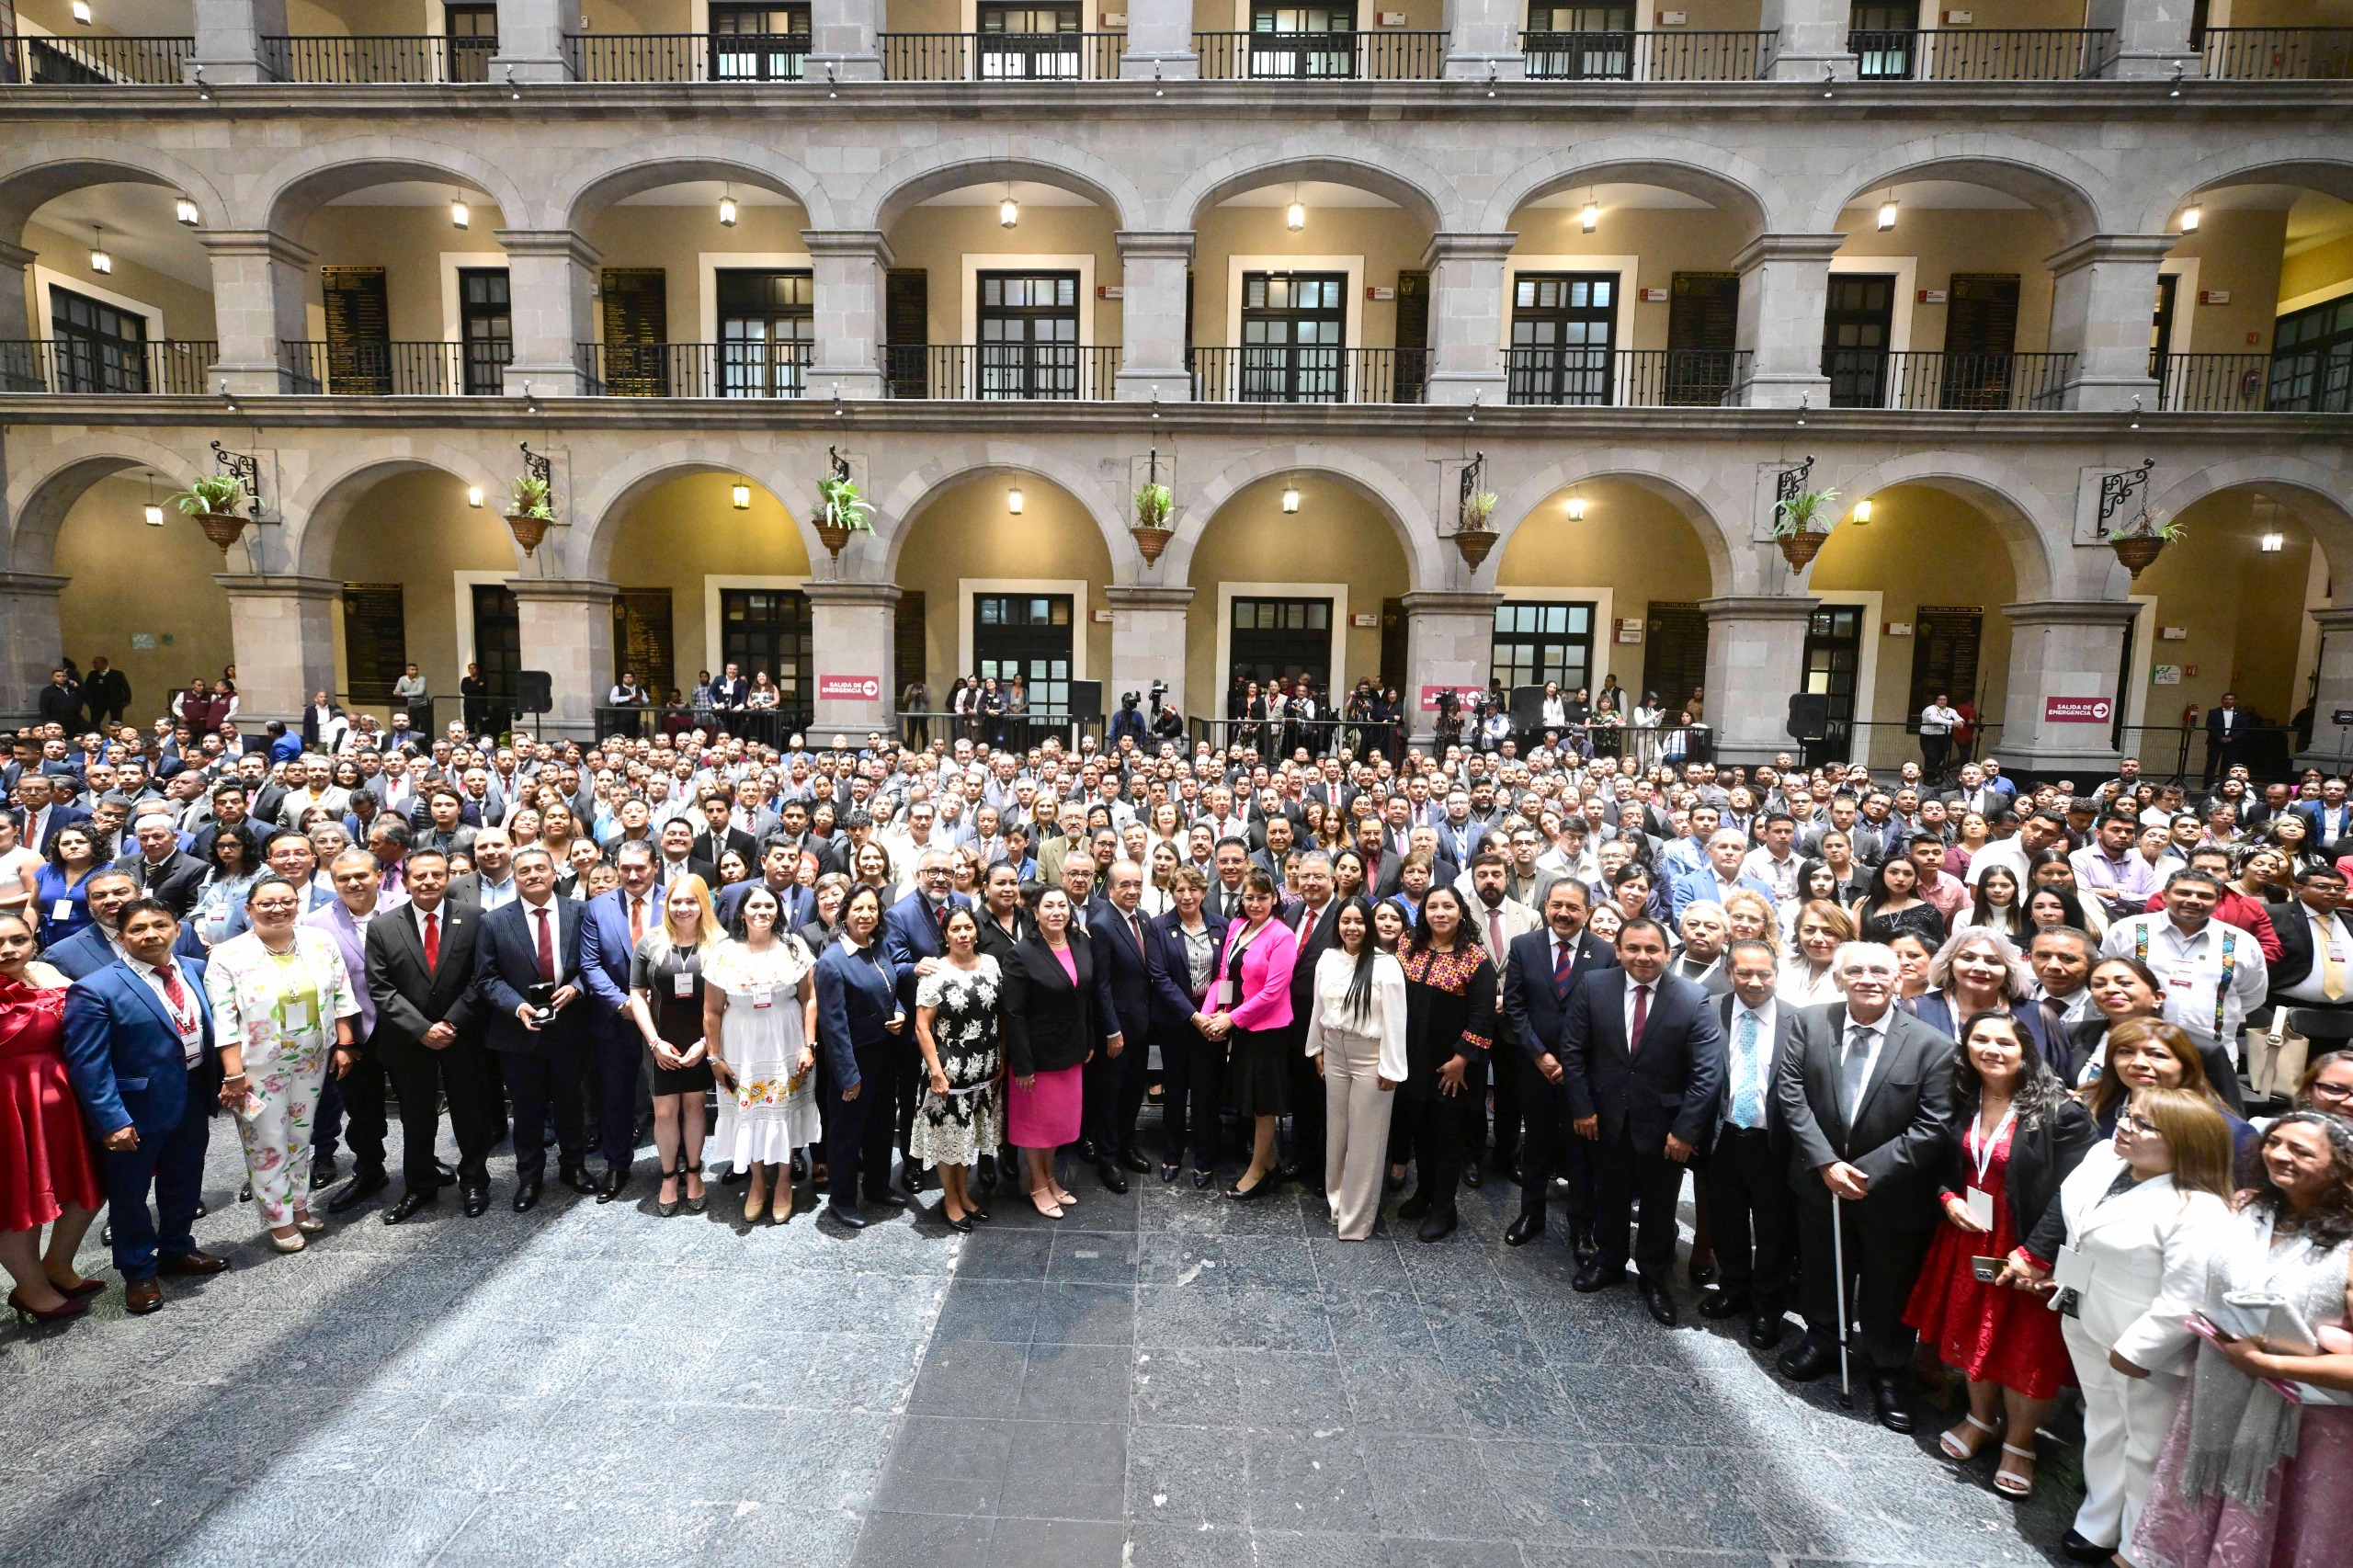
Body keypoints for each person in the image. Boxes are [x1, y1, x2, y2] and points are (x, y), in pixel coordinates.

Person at [2018, 1085, 2234, 1566]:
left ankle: (2139, 1544)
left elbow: (2184, 1299)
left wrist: (2137, 1350)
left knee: (2146, 1448)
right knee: (2103, 1424)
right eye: (2126, 1114)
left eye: (2142, 1124)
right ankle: (2099, 1521)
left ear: (2183, 1142)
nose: (2124, 1126)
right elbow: (2078, 1227)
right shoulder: (2103, 1157)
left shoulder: (2198, 1208)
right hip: (2082, 1313)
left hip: (2143, 1348)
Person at [2131, 1112, 2353, 1568]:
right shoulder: (2254, 1210)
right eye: (2275, 1143)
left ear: (2342, 1168)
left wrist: (2270, 1366)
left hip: (2306, 1429)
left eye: (2302, 1151)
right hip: (2219, 1400)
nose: (2280, 1155)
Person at [1903, 1011, 2096, 1498]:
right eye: (1979, 1040)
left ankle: (2020, 1443)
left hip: (2029, 1244)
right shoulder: (1961, 1098)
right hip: (1970, 1234)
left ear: (2026, 1049)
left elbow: (2078, 1191)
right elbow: (1943, 1163)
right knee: (1971, 1329)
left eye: (2004, 1042)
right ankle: (1980, 1418)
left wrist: (2035, 1253)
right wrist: (1947, 1199)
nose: (1992, 1049)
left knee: (2026, 1346)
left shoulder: (2061, 1110)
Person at [1774, 940, 1959, 1433]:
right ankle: (1822, 1337)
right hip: (1818, 1180)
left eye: (1881, 971)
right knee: (1822, 1265)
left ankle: (1887, 1368)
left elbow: (1932, 1125)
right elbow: (1791, 1093)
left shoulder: (1932, 1046)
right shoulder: (1810, 1024)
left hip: (1892, 1194)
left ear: (1899, 979)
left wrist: (1864, 1174)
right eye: (1855, 970)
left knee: (1887, 1283)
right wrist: (1826, 1163)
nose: (1869, 979)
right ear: (1839, 979)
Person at [60, 898, 227, 1314]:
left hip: (190, 1093)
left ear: (176, 929)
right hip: (133, 1108)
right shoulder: (96, 988)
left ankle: (177, 1249)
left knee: (185, 1179)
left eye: (159, 925)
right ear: (121, 936)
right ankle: (138, 1273)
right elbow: (88, 1065)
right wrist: (111, 1120)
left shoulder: (197, 969)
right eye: (137, 929)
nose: (150, 934)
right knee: (130, 1196)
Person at [1560, 915, 1723, 1326]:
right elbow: (1574, 1052)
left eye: (1652, 949)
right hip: (1604, 1117)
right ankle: (1609, 1260)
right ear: (1618, 950)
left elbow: (1707, 1073)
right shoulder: (1594, 986)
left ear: (1668, 953)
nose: (1643, 957)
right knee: (1609, 1193)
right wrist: (1582, 1107)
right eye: (1633, 948)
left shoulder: (1691, 997)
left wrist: (1686, 1130)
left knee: (1659, 1205)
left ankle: (1653, 1276)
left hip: (1666, 1127)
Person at [204, 873, 360, 1252]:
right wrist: (233, 1074)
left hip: (312, 1056)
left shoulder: (319, 942)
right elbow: (223, 1021)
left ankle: (299, 1205)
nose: (278, 909)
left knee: (300, 1135)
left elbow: (342, 994)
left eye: (286, 901)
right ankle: (278, 1218)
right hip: (257, 1067)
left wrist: (345, 1043)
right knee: (266, 1142)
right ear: (249, 908)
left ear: (297, 903)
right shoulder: (228, 955)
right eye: (267, 903)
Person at [361, 846, 497, 1220]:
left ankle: (473, 1181)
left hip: (463, 1035)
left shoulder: (473, 918)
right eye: (419, 876)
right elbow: (381, 987)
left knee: (470, 1113)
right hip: (408, 1039)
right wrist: (423, 1029)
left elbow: (480, 978)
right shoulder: (383, 926)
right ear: (405, 881)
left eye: (437, 874)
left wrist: (451, 1023)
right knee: (417, 1116)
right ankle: (419, 1185)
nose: (429, 882)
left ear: (447, 878)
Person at [1694, 937, 1801, 1348]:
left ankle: (1767, 1306)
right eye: (1744, 973)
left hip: (1773, 1143)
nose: (1755, 982)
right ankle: (1733, 1288)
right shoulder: (1710, 1011)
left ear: (1777, 974)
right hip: (1722, 1138)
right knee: (1727, 1219)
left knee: (1774, 1229)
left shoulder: (1799, 1021)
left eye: (1764, 974)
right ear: (1729, 974)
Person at [472, 846, 590, 1211]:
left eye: (541, 868)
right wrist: (517, 1006)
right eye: (525, 871)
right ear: (516, 878)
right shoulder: (494, 921)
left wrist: (577, 987)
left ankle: (574, 1167)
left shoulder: (580, 912)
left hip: (570, 1028)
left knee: (572, 1103)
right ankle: (530, 1178)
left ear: (556, 874)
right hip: (518, 1032)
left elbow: (595, 963)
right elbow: (486, 977)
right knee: (527, 1110)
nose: (534, 875)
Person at [1503, 878, 1617, 1256]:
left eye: (1573, 908)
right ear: (1545, 907)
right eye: (1557, 906)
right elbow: (1516, 1007)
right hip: (1535, 1067)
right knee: (1535, 1141)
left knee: (1580, 1149)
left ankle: (1582, 1227)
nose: (1564, 914)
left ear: (1587, 911)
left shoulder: (1604, 953)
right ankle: (1530, 1214)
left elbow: (1606, 1015)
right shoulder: (1524, 946)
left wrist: (1572, 1063)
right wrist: (1539, 1054)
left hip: (1581, 1072)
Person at [0, 911, 104, 1324]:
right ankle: (31, 1287)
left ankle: (57, 1265)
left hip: (65, 1101)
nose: (8, 950)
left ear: (34, 940)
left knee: (88, 1187)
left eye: (17, 939)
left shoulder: (46, 975)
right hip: (9, 1108)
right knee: (18, 1200)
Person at [712, 882, 824, 1223]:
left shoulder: (794, 947)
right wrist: (714, 1058)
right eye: (755, 906)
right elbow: (711, 1011)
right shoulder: (725, 951)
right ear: (741, 912)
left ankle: (785, 1182)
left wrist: (809, 1045)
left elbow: (809, 999)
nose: (763, 912)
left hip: (786, 1037)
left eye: (770, 906)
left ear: (778, 910)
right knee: (751, 1109)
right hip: (741, 1040)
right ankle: (758, 1181)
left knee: (784, 1108)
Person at [1001, 887, 1110, 1218]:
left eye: (1062, 905)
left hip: (1071, 1050)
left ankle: (1050, 1177)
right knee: (1036, 1127)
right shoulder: (1021, 953)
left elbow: (1085, 997)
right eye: (1048, 906)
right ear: (1035, 913)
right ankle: (1035, 1183)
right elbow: (1014, 1014)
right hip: (1037, 1057)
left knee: (1057, 1125)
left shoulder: (1080, 941)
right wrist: (1022, 1064)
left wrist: (1089, 1038)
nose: (1056, 912)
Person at [1394, 885, 1494, 1242]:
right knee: (1420, 1127)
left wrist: (1461, 1059)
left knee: (1447, 1135)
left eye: (1447, 906)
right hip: (1411, 1059)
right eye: (1433, 906)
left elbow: (1483, 1017)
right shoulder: (1408, 945)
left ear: (1461, 912)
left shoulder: (1475, 958)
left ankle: (1444, 1208)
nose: (1440, 913)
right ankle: (1424, 1193)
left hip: (1451, 1066)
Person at [1303, 896, 1405, 1242]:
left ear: (1370, 926)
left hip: (1370, 1056)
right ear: (1338, 925)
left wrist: (1391, 1067)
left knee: (1366, 1141)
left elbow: (1395, 1020)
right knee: (1338, 1133)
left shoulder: (1386, 964)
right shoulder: (1328, 958)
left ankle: (1356, 1221)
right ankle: (1337, 1204)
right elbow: (1318, 1006)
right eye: (1345, 921)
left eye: (1359, 922)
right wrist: (1316, 1045)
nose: (1352, 928)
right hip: (1333, 1050)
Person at [628, 874, 720, 1219]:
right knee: (665, 1112)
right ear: (666, 905)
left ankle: (694, 1173)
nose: (683, 908)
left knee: (695, 1108)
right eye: (676, 901)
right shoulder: (649, 942)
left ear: (703, 904)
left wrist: (705, 1044)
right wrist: (654, 1042)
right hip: (659, 1041)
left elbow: (726, 1002)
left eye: (691, 901)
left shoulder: (719, 943)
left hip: (700, 1041)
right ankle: (669, 1177)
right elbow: (636, 995)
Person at [1203, 869, 1297, 1203]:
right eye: (1249, 897)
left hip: (1267, 1032)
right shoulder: (1236, 927)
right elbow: (1223, 976)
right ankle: (1269, 1163)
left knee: (1262, 1105)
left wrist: (1231, 1021)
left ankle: (1257, 1172)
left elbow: (1273, 992)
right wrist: (1212, 1012)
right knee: (1250, 1100)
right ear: (1241, 900)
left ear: (1275, 899)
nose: (1256, 903)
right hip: (1241, 1027)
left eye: (1262, 897)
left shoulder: (1282, 936)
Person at [578, 841, 664, 1203]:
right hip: (615, 1021)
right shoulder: (597, 907)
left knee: (669, 1098)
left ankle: (675, 1166)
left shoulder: (676, 900)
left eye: (640, 868)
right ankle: (617, 1165)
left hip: (666, 1019)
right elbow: (590, 965)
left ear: (655, 867)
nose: (632, 875)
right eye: (625, 868)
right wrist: (622, 1003)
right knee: (615, 1096)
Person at [911, 905, 1004, 1232]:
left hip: (984, 1071)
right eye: (955, 930)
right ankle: (950, 1200)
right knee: (947, 1140)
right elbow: (922, 1027)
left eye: (968, 928)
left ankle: (964, 1194)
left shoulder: (991, 964)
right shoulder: (936, 971)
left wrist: (1002, 1057)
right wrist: (936, 1071)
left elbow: (998, 1015)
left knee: (967, 1140)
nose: (963, 935)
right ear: (945, 935)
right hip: (948, 1074)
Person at [1146, 864, 1227, 1188]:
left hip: (1212, 1023)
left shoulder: (1221, 925)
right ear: (1172, 893)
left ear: (1203, 892)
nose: (1186, 895)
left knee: (1207, 1093)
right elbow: (1160, 979)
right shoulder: (1158, 927)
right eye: (1180, 889)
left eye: (1193, 889)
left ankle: (1205, 1159)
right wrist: (1193, 1017)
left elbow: (1226, 975)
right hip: (1177, 1022)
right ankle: (1172, 1154)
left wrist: (1215, 1015)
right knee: (1176, 1090)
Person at [1912, 928, 2063, 1068]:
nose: (1979, 968)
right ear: (1949, 964)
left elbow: (2062, 1080)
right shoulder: (1917, 1011)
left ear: (2008, 970)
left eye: (1992, 961)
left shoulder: (2038, 1014)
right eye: (1968, 958)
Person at [34, 824, 106, 946]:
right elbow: (33, 906)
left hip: (94, 941)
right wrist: (27, 935)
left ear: (94, 844)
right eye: (66, 843)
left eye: (80, 842)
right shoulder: (47, 870)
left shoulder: (109, 871)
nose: (73, 846)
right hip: (50, 940)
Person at [1780, 900, 1858, 1006]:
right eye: (1809, 930)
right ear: (1798, 933)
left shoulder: (1856, 976)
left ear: (1844, 936)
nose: (1818, 938)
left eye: (1828, 932)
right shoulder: (1781, 968)